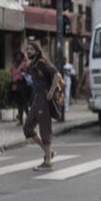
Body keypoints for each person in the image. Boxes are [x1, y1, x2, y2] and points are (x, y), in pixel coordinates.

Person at [22, 42, 63, 171]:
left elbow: (57, 75)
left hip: (44, 100)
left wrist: (51, 91)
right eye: (27, 49)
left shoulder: (41, 63)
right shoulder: (33, 64)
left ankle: (48, 162)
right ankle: (48, 152)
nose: (28, 51)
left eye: (31, 49)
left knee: (45, 129)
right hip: (36, 99)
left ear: (37, 51)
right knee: (28, 128)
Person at [9, 51, 30, 124]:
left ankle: (29, 119)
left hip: (22, 86)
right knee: (18, 104)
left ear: (22, 57)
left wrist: (25, 71)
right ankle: (20, 120)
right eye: (17, 56)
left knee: (24, 103)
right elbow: (11, 74)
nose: (18, 57)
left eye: (20, 56)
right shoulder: (13, 65)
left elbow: (29, 71)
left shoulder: (24, 64)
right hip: (15, 87)